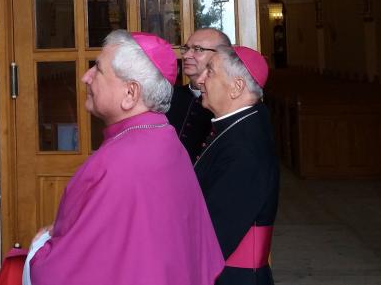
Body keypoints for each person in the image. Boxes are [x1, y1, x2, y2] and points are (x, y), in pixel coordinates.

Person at [24, 30, 225, 285]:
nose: (86, 77)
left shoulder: (114, 164)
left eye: (98, 69)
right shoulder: (166, 138)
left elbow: (66, 272)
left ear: (130, 93)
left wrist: (39, 248)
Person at [193, 45, 279, 285]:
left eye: (210, 71)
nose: (200, 80)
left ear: (237, 87)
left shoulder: (243, 149)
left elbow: (215, 236)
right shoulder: (239, 127)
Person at [167, 28, 231, 162]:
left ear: (221, 56)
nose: (185, 56)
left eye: (198, 49)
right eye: (186, 48)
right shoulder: (169, 96)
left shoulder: (231, 102)